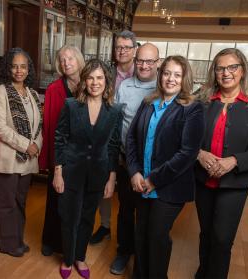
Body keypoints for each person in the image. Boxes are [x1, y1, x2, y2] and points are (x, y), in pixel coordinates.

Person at [194, 48, 248, 278]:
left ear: (242, 71)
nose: (226, 73)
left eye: (232, 67)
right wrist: (199, 154)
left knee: (221, 239)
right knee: (206, 233)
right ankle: (203, 273)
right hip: (203, 181)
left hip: (235, 184)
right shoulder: (202, 101)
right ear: (214, 72)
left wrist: (235, 160)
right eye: (220, 68)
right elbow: (186, 140)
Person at [126, 55, 205, 278]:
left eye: (177, 75)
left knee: (157, 237)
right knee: (140, 235)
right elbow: (131, 138)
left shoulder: (192, 109)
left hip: (168, 188)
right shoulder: (148, 102)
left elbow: (187, 154)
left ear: (185, 79)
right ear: (160, 75)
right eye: (167, 73)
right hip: (141, 183)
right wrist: (134, 171)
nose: (171, 79)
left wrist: (154, 179)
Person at [54, 59, 122, 279]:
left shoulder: (115, 111)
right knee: (69, 216)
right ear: (84, 81)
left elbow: (113, 146)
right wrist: (58, 172)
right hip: (71, 171)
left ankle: (80, 257)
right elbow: (60, 138)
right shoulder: (71, 105)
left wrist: (111, 179)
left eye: (100, 78)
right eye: (90, 78)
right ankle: (67, 258)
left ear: (107, 82)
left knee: (86, 217)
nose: (95, 83)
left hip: (98, 173)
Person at [109, 43, 160, 275]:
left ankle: (143, 257)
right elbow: (116, 123)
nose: (144, 65)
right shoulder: (125, 86)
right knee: (126, 211)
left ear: (158, 62)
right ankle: (123, 251)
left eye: (150, 61)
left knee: (148, 217)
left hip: (155, 167)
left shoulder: (164, 86)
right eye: (140, 60)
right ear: (135, 59)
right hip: (127, 162)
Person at [0, 48, 42, 257]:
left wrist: (36, 144)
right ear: (7, 68)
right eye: (14, 66)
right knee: (6, 204)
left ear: (29, 69)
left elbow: (39, 125)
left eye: (23, 66)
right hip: (7, 158)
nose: (19, 70)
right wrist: (26, 145)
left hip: (27, 159)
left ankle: (17, 238)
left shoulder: (33, 94)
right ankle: (8, 244)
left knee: (20, 202)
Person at [90, 29, 137, 245]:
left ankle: (129, 238)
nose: (122, 51)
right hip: (107, 139)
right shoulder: (106, 73)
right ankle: (105, 225)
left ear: (134, 50)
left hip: (132, 143)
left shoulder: (143, 73)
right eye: (119, 47)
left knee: (129, 193)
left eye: (127, 47)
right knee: (103, 185)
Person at [39, 45, 85, 256]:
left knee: (76, 202)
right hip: (59, 153)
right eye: (62, 59)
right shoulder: (53, 89)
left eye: (70, 58)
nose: (66, 62)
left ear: (79, 60)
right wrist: (49, 159)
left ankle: (72, 245)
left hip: (82, 155)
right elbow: (48, 126)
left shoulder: (90, 85)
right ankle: (50, 241)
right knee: (54, 198)